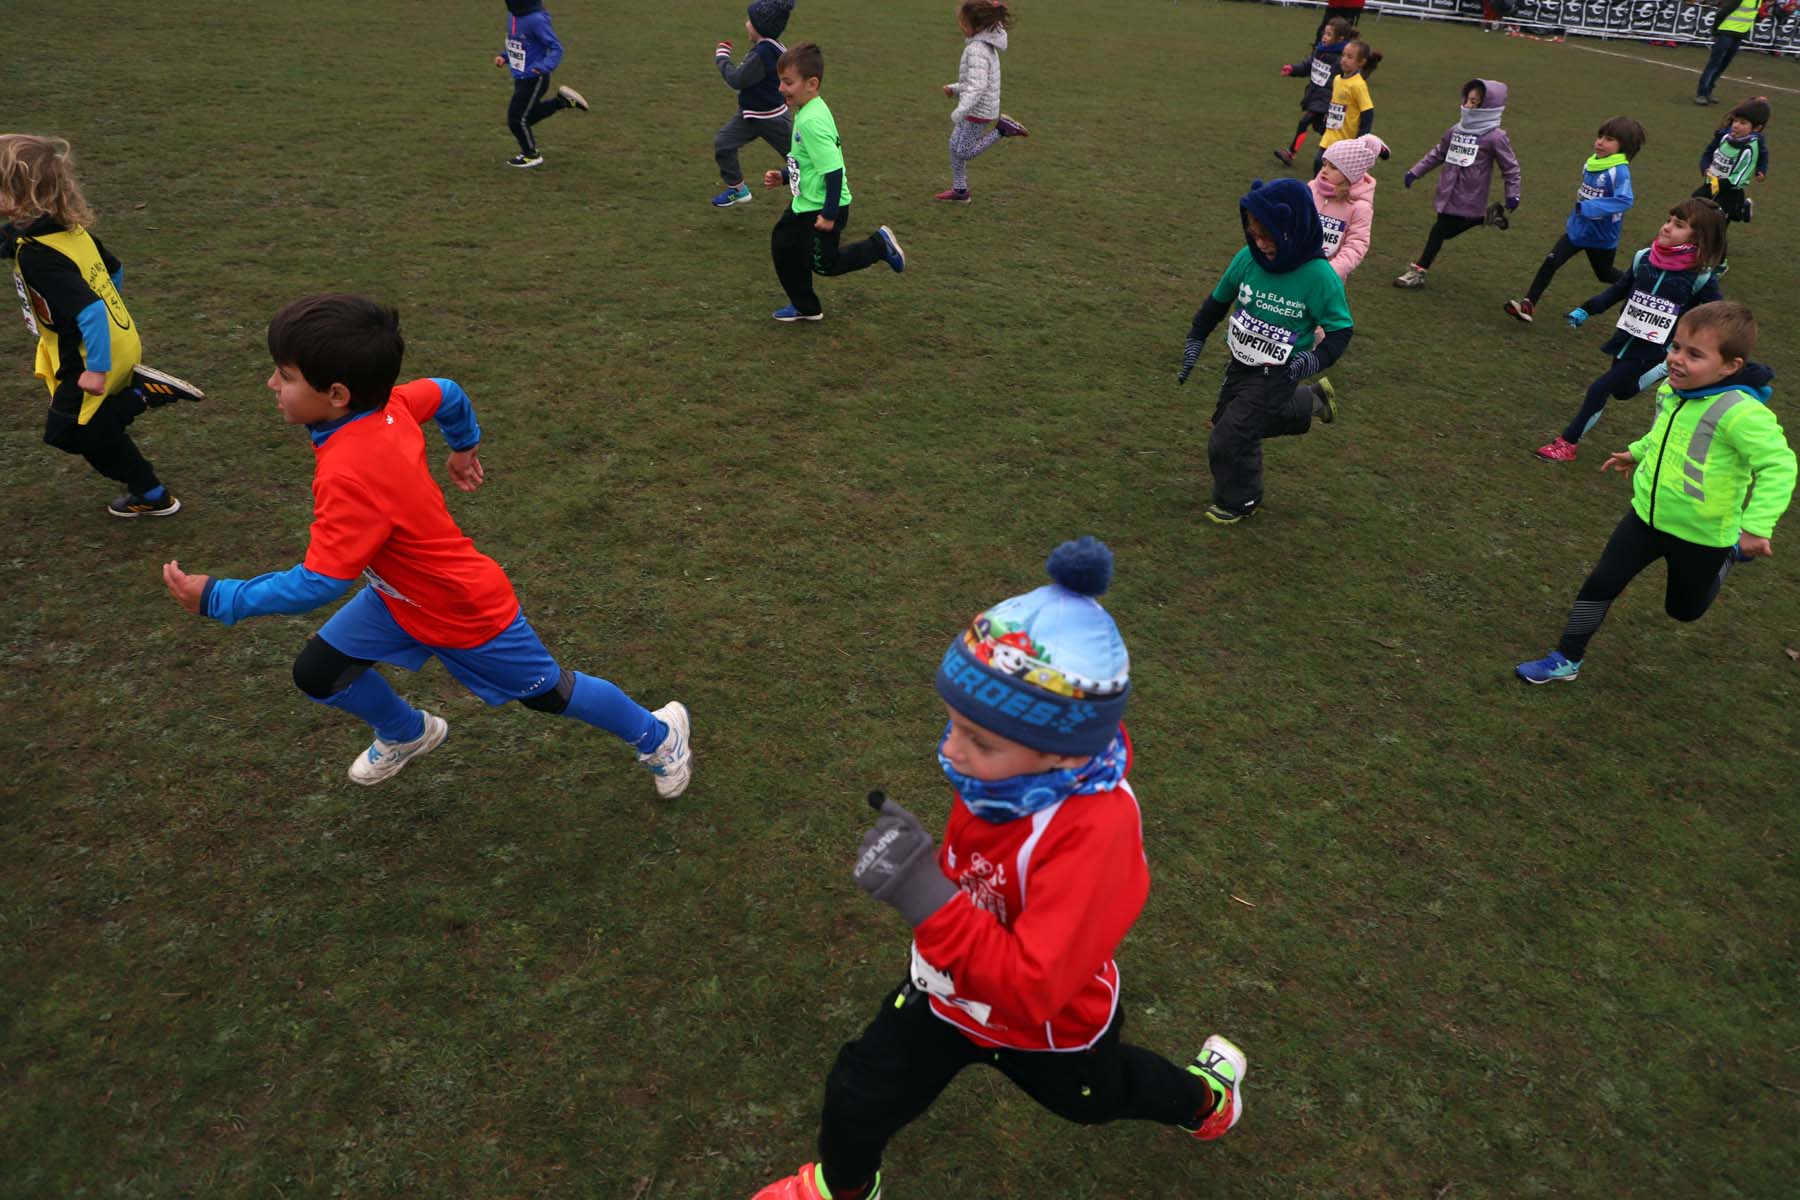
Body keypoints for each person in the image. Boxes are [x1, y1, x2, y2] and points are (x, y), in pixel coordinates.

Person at [752, 537, 1245, 1200]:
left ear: (1065, 755)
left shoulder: (1099, 831)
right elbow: (977, 868)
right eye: (953, 725)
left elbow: (1033, 987)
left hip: (1048, 1028)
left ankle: (1205, 1099)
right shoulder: (1003, 778)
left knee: (1096, 1100)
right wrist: (930, 867)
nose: (950, 752)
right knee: (858, 1092)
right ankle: (841, 1189)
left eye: (978, 740)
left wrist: (925, 894)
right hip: (949, 992)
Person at [160, 294, 693, 792]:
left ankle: (659, 736)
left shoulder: (348, 473)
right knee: (318, 672)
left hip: (462, 609)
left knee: (550, 695)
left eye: (285, 376)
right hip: (400, 598)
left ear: (337, 395)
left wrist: (219, 597)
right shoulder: (388, 405)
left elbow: (320, 581)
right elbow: (446, 391)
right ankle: (407, 731)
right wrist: (463, 446)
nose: (271, 385)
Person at [1516, 301, 1794, 683]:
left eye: (1694, 354)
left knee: (1683, 611)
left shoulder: (1742, 412)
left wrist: (1756, 527)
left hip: (1702, 534)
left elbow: (1780, 467)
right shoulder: (1674, 389)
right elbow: (1666, 432)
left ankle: (1729, 556)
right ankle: (1567, 657)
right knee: (1601, 583)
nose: (1677, 359)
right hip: (1645, 517)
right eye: (1676, 347)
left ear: (1730, 365)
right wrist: (1636, 451)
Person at [1, 134, 201, 518]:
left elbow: (91, 312)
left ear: (19, 194)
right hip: (117, 340)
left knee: (67, 431)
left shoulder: (39, 257)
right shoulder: (64, 232)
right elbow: (115, 269)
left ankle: (142, 395)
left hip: (91, 356)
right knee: (90, 427)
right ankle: (151, 492)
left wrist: (96, 369)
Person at [1178, 179, 1354, 525]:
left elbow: (1340, 330)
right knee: (1229, 421)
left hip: (1281, 371)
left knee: (1228, 438)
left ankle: (1240, 499)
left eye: (1268, 237)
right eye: (1254, 234)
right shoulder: (1248, 259)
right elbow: (1217, 302)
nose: (1260, 244)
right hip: (1241, 363)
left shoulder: (1319, 277)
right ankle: (1309, 402)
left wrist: (1313, 359)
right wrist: (1196, 337)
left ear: (1293, 229)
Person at [1535, 198, 1728, 462]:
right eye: (1669, 220)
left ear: (1698, 238)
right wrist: (1587, 309)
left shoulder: (1701, 277)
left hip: (1656, 349)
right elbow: (1619, 289)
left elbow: (1716, 315)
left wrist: (1693, 344)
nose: (1667, 227)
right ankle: (1660, 373)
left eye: (1679, 225)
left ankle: (1567, 444)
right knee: (1622, 391)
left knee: (1599, 389)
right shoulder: (1645, 257)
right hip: (1626, 340)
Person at [761, 43, 904, 321]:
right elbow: (809, 162)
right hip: (807, 202)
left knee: (826, 264)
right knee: (785, 244)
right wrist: (784, 175)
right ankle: (806, 306)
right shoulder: (808, 110)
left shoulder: (811, 121)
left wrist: (828, 214)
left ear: (811, 84)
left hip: (824, 206)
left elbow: (834, 170)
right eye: (780, 81)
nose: (781, 88)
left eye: (788, 82)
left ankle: (879, 245)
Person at [1503, 117, 1644, 324]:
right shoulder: (1592, 162)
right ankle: (1528, 304)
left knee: (1604, 274)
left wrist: (1588, 207)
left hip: (1601, 236)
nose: (1600, 142)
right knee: (1551, 261)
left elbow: (1625, 200)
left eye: (1609, 139)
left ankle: (1640, 287)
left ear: (1624, 146)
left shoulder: (1619, 171)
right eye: (1600, 137)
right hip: (1578, 229)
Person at [1393, 79, 1522, 289]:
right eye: (1468, 100)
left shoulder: (1495, 138)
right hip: (1446, 191)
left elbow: (1511, 167)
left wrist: (1513, 193)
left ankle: (1418, 271)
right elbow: (1438, 153)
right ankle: (1486, 218)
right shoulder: (1456, 130)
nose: (1468, 106)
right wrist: (1415, 171)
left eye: (1475, 102)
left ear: (1488, 107)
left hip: (1471, 194)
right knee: (1446, 231)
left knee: (1439, 230)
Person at [936, 0, 1030, 204]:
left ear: (978, 27)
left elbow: (977, 87)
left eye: (964, 23)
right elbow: (975, 81)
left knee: (963, 151)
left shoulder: (977, 49)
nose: (961, 26)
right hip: (975, 106)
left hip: (978, 110)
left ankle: (1002, 130)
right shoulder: (981, 46)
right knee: (954, 145)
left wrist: (961, 109)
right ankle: (960, 190)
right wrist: (955, 89)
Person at [710, 0, 796, 208]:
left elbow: (738, 79)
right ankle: (738, 190)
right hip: (751, 115)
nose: (746, 24)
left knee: (799, 160)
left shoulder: (764, 53)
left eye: (750, 20)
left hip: (772, 119)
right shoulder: (771, 48)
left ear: (761, 27)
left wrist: (722, 58)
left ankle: (823, 197)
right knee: (723, 143)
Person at [494, 0, 589, 169]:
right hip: (520, 77)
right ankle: (562, 101)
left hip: (534, 78)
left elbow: (556, 48)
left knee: (516, 119)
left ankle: (531, 155)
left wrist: (543, 67)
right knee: (524, 119)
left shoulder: (536, 20)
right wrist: (505, 56)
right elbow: (518, 42)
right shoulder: (513, 16)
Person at [1273, 17, 1355, 168]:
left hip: (1326, 100)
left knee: (1305, 122)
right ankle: (1339, 156)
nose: (1324, 37)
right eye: (1325, 33)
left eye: (1329, 34)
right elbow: (1308, 66)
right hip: (1314, 95)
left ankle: (1291, 153)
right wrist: (1292, 69)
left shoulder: (1340, 60)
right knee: (1321, 129)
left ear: (1340, 38)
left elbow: (1346, 81)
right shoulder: (1320, 51)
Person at [1694, 97, 1770, 223]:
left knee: (1717, 221)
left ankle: (1740, 209)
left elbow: (1739, 178)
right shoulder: (1724, 136)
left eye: (1743, 123)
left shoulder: (1749, 149)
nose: (1736, 125)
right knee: (1693, 207)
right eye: (1735, 121)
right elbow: (1710, 152)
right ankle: (1741, 207)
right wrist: (1705, 166)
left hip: (1728, 190)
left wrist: (1761, 169)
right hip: (1712, 183)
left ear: (1756, 128)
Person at [1313, 39, 1380, 172]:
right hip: (1330, 135)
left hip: (1346, 140)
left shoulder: (1358, 85)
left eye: (1350, 57)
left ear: (1361, 62)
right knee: (1318, 164)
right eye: (1343, 55)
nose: (1344, 59)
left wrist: (1361, 141)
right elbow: (1335, 104)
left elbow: (1368, 112)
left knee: (1334, 174)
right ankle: (1317, 192)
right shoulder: (1337, 80)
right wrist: (1326, 120)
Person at [1695, 0, 1761, 106]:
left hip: (1738, 36)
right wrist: (1715, 30)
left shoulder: (1759, 1)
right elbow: (1722, 12)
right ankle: (1701, 94)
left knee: (1723, 65)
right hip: (1725, 32)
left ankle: (1709, 91)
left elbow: (1752, 17)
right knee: (1714, 64)